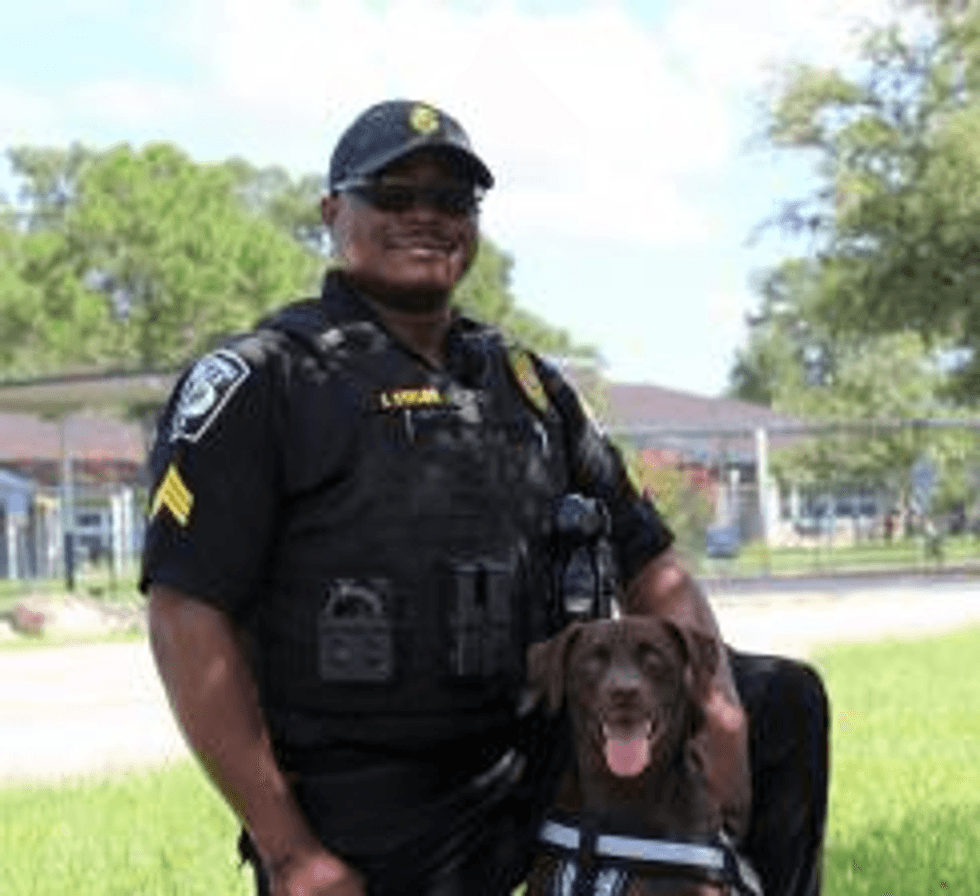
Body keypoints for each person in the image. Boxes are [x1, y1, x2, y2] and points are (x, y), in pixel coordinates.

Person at [141, 99, 828, 896]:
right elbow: (185, 614)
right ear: (333, 212)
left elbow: (651, 558)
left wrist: (719, 705)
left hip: (533, 757)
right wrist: (290, 850)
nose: (426, 216)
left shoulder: (525, 385)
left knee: (780, 701)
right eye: (394, 195)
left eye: (452, 199)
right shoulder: (268, 380)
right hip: (372, 796)